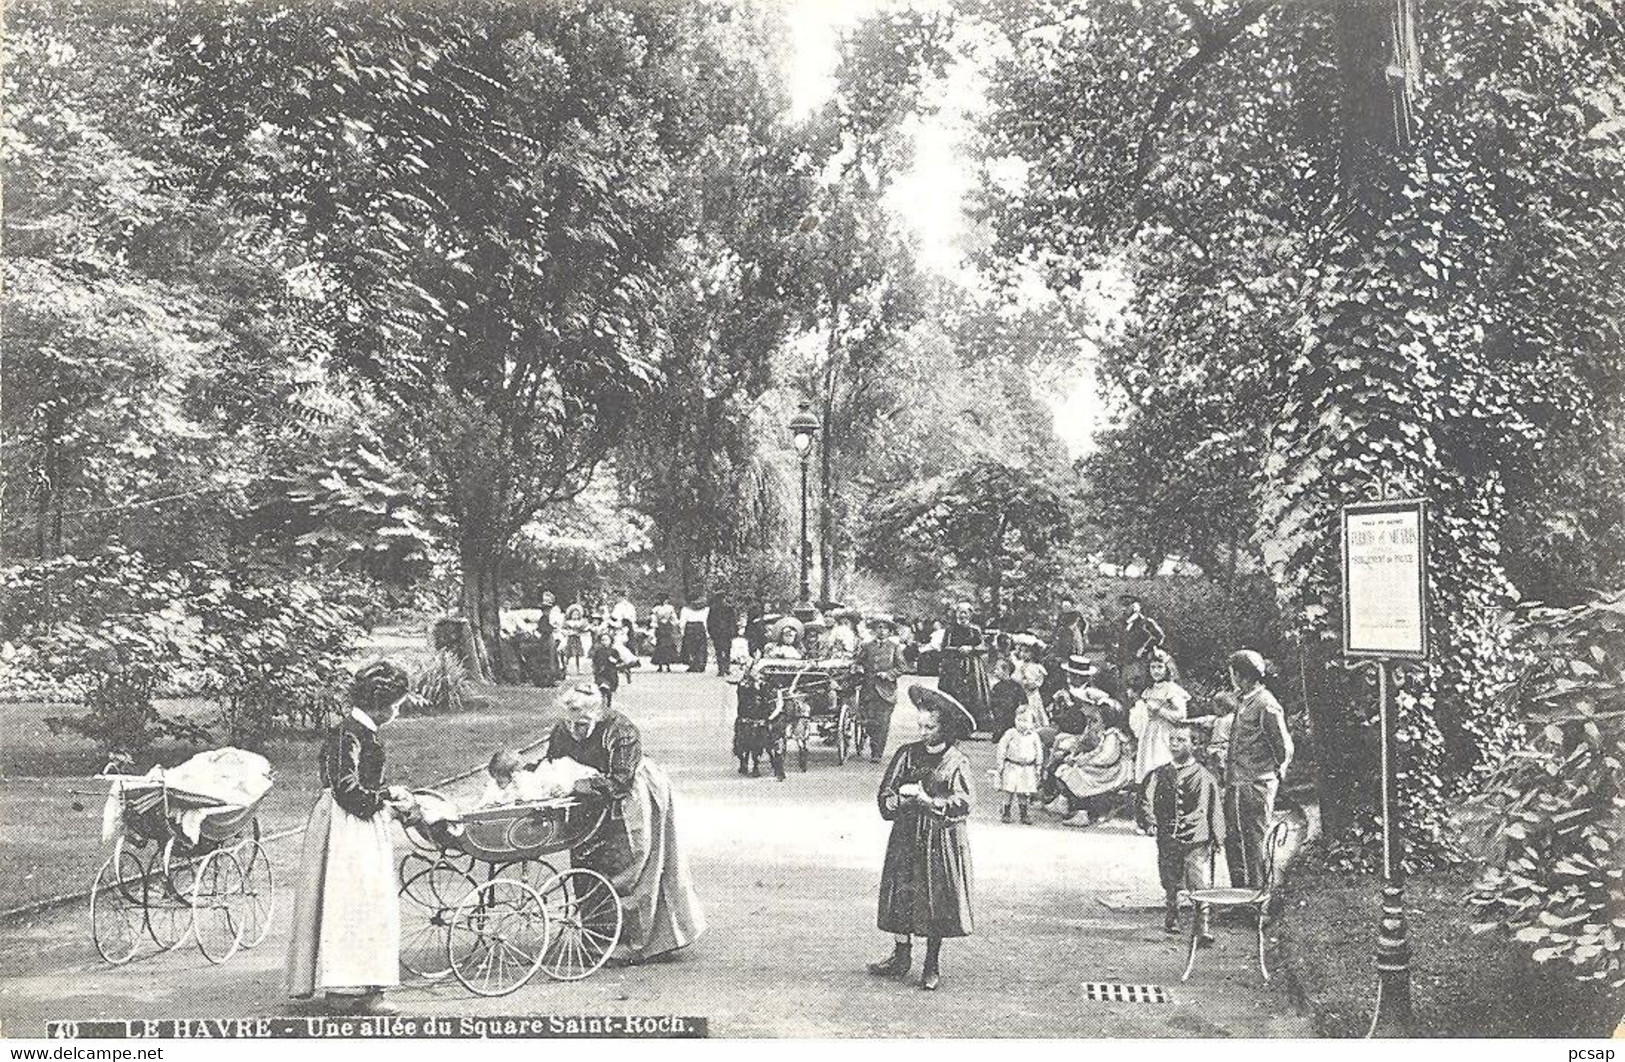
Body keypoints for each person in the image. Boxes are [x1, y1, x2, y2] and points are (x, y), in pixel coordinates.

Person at [539, 685, 707, 963]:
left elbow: (621, 780)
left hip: (630, 797)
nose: (575, 731)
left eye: (581, 725)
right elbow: (551, 762)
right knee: (586, 860)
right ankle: (599, 937)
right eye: (569, 723)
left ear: (598, 715)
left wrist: (577, 784)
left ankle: (640, 942)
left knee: (629, 864)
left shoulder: (621, 730)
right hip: (586, 799)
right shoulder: (563, 730)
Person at [286, 661, 416, 1014]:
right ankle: (345, 988)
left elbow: (361, 787)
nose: (398, 710)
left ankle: (369, 985)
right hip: (347, 826)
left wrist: (387, 795)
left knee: (370, 901)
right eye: (397, 703)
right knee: (349, 900)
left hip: (360, 823)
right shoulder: (348, 733)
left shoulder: (361, 730)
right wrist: (386, 798)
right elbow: (347, 790)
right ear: (382, 703)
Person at [869, 685, 976, 992]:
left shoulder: (956, 761)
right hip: (906, 835)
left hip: (938, 839)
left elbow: (964, 802)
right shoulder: (906, 754)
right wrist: (901, 801)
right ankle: (901, 956)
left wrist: (929, 801)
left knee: (934, 899)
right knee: (900, 893)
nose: (924, 732)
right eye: (921, 726)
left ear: (946, 728)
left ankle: (931, 963)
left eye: (930, 727)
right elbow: (885, 795)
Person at [1138, 725, 1223, 943]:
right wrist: (1149, 821)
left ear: (1194, 745)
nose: (1175, 744)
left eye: (1181, 740)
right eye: (1172, 739)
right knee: (1170, 877)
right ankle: (1172, 914)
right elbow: (1146, 799)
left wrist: (1218, 836)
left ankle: (1202, 926)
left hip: (1197, 836)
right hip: (1169, 835)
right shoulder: (1158, 774)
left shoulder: (1205, 776)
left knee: (1198, 880)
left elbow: (1214, 807)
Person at [1222, 649, 1294, 889]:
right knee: (1233, 840)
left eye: (1233, 674)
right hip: (1236, 783)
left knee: (1255, 844)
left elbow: (1284, 748)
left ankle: (1259, 903)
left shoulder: (1265, 704)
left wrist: (1272, 776)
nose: (1231, 679)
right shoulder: (1244, 700)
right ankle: (1240, 897)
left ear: (1242, 676)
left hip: (1255, 785)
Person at [1130, 649, 1191, 786]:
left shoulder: (1171, 689)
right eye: (1152, 667)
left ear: (1167, 669)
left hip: (1165, 733)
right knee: (1147, 767)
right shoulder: (1149, 690)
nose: (1156, 671)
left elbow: (1181, 716)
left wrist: (1159, 710)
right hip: (1149, 733)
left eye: (1160, 667)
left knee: (1161, 764)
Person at [855, 615, 905, 762]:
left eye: (885, 628)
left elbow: (902, 666)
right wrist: (858, 669)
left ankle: (877, 753)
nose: (882, 631)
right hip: (868, 689)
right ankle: (870, 740)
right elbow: (858, 662)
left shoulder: (894, 647)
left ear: (890, 631)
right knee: (869, 721)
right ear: (874, 630)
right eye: (879, 628)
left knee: (883, 722)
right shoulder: (867, 646)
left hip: (886, 690)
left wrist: (889, 674)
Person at [938, 603, 992, 734]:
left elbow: (983, 647)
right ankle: (953, 726)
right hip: (954, 666)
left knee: (974, 694)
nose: (962, 615)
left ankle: (974, 725)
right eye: (960, 612)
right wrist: (958, 649)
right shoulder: (950, 630)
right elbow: (944, 647)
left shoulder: (975, 629)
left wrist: (971, 649)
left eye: (965, 613)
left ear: (970, 615)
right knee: (953, 694)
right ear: (956, 614)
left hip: (973, 667)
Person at [995, 706, 1043, 824]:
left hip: (1027, 767)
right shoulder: (1011, 733)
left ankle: (1024, 813)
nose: (1021, 723)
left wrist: (1038, 765)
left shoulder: (1034, 736)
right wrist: (1000, 763)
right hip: (1012, 766)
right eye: (1019, 719)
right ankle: (1006, 812)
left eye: (1025, 720)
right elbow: (1002, 747)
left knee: (1023, 792)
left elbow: (1039, 751)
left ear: (1033, 723)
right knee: (1009, 790)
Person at [1043, 596, 1089, 703]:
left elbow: (1080, 633)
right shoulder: (1061, 617)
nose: (1065, 609)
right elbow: (1056, 632)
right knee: (1057, 670)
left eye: (1068, 606)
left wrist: (1078, 650)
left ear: (1072, 606)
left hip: (1070, 647)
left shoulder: (1076, 617)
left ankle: (1070, 694)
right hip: (1060, 647)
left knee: (1070, 669)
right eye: (1064, 607)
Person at [1118, 596, 1166, 691]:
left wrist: (1145, 648)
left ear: (1135, 607)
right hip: (1127, 662)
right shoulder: (1124, 624)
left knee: (1142, 689)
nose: (1123, 609)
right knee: (1127, 690)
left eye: (1127, 606)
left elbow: (1160, 637)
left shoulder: (1146, 622)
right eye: (1123, 606)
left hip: (1143, 662)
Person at [987, 657, 1028, 740]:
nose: (994, 672)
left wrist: (1021, 708)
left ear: (1006, 671)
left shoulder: (1016, 686)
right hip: (999, 713)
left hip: (1011, 713)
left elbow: (1024, 700)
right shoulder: (996, 687)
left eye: (997, 669)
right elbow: (992, 700)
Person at [707, 593, 739, 677]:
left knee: (719, 651)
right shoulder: (729, 608)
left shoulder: (713, 609)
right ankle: (727, 667)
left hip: (717, 632)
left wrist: (711, 632)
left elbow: (709, 622)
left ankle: (721, 669)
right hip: (726, 632)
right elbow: (733, 621)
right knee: (727, 650)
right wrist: (734, 632)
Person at [590, 629, 621, 710]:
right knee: (603, 689)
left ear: (611, 641)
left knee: (609, 691)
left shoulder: (614, 651)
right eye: (602, 640)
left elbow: (619, 661)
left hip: (611, 674)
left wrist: (614, 660)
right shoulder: (598, 651)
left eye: (606, 640)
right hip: (601, 674)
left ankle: (608, 704)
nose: (604, 642)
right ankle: (603, 704)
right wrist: (595, 669)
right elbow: (595, 662)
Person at [650, 595, 681, 672]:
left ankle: (661, 665)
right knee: (667, 645)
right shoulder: (670, 608)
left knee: (661, 645)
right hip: (666, 627)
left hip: (661, 627)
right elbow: (674, 619)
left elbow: (654, 620)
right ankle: (667, 665)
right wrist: (677, 624)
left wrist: (653, 627)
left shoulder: (656, 609)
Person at [679, 599, 709, 673]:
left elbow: (682, 622)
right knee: (701, 647)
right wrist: (707, 632)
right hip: (700, 627)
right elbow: (706, 621)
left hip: (690, 628)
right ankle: (700, 664)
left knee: (690, 648)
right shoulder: (705, 609)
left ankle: (692, 665)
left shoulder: (685, 609)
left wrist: (682, 631)